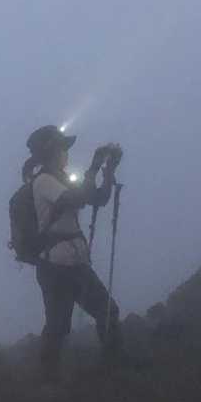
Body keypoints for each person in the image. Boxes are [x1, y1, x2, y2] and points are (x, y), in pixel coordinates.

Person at [23, 124, 122, 381]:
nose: (66, 154)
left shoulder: (59, 179)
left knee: (105, 312)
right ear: (51, 152)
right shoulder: (44, 181)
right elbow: (77, 199)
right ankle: (48, 383)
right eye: (62, 149)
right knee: (59, 328)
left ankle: (111, 372)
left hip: (71, 262)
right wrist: (93, 168)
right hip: (56, 266)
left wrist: (108, 171)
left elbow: (98, 198)